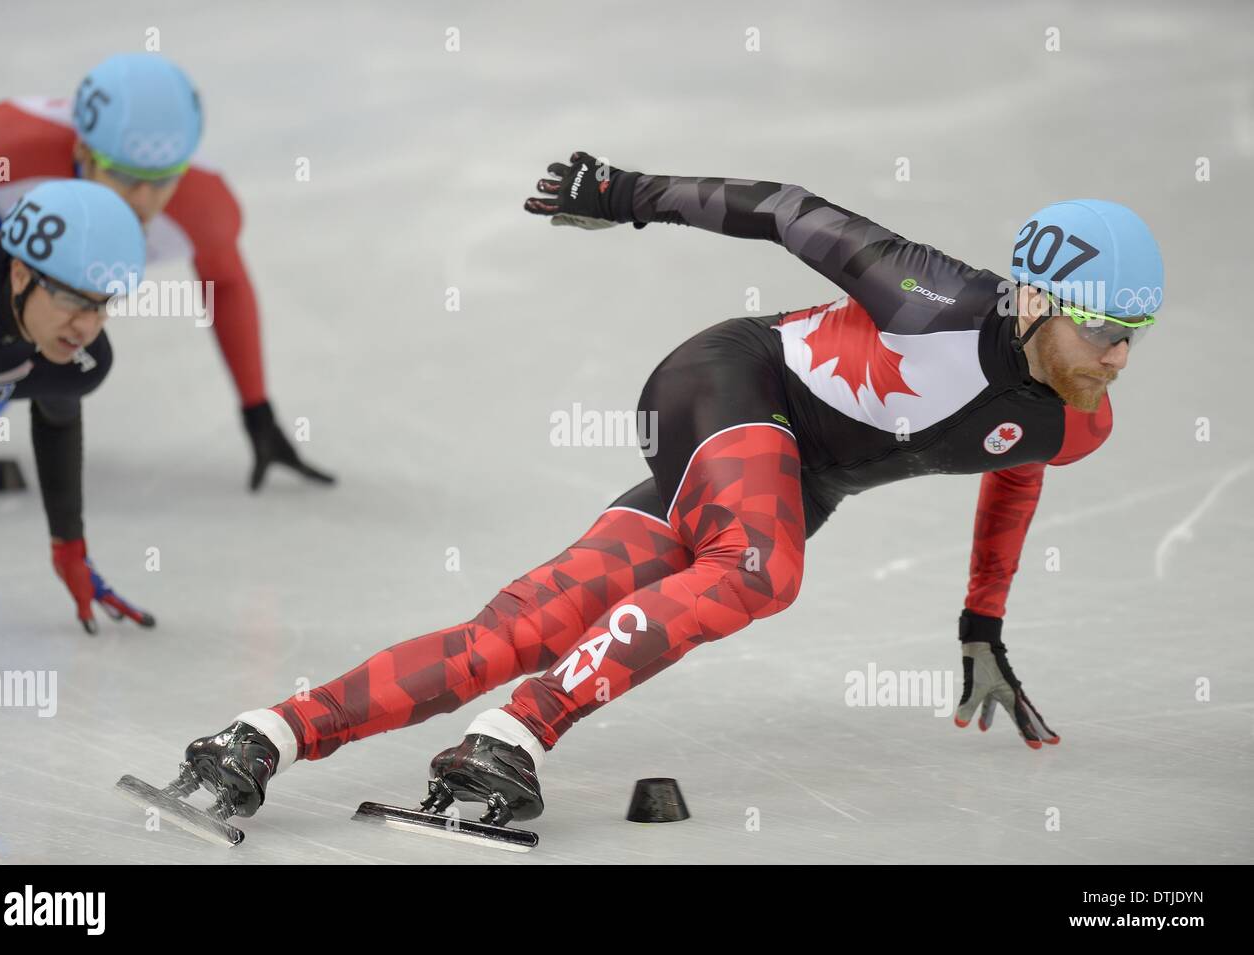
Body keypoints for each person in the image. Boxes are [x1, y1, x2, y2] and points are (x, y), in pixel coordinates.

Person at [174, 152, 1162, 829]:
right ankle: (519, 730)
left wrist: (980, 622)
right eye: (1103, 328)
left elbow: (1012, 465)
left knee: (517, 629)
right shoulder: (932, 296)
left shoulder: (1078, 420)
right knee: (762, 568)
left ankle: (261, 736)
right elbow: (785, 208)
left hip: (778, 474)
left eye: (1136, 332)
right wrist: (621, 190)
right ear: (1035, 300)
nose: (1119, 356)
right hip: (727, 384)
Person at [0, 51, 334, 490]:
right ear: (83, 152)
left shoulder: (203, 206)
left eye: (163, 179)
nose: (143, 198)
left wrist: (257, 411)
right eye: (125, 175)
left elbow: (225, 283)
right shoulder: (4, 145)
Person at [0, 179, 155, 633]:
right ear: (21, 274)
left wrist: (69, 546)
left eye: (103, 306)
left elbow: (57, 414)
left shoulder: (80, 363)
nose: (86, 326)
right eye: (72, 299)